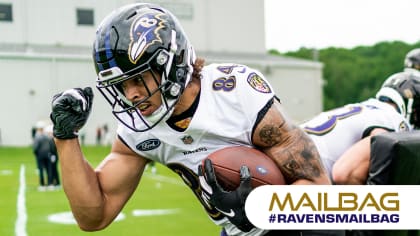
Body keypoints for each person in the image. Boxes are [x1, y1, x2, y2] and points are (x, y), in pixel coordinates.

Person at [50, 3, 334, 236]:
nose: (132, 95)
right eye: (123, 86)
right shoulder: (139, 128)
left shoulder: (235, 92)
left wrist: (263, 207)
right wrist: (65, 138)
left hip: (304, 226)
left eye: (137, 79)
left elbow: (319, 189)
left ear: (171, 62)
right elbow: (94, 216)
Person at [301, 71, 420, 185]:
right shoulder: (393, 119)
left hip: (291, 156)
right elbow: (344, 173)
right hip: (305, 173)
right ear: (413, 107)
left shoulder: (364, 108)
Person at [33, 121, 53, 191]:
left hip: (40, 155)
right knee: (48, 170)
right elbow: (51, 145)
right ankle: (50, 184)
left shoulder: (37, 136)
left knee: (41, 170)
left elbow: (35, 147)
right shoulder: (46, 136)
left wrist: (35, 153)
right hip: (48, 154)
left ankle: (42, 185)